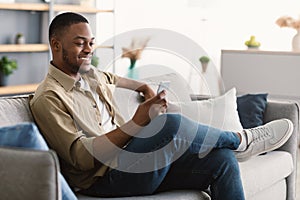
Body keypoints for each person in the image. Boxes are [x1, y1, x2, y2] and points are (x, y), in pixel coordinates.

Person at [29, 12, 293, 200]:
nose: (88, 49)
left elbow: (119, 79)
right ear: (56, 45)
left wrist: (145, 89)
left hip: (136, 161)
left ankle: (233, 147)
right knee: (170, 123)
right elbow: (81, 157)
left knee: (221, 161)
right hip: (106, 179)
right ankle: (240, 140)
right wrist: (138, 122)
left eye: (91, 42)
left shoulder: (93, 75)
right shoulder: (48, 98)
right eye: (79, 43)